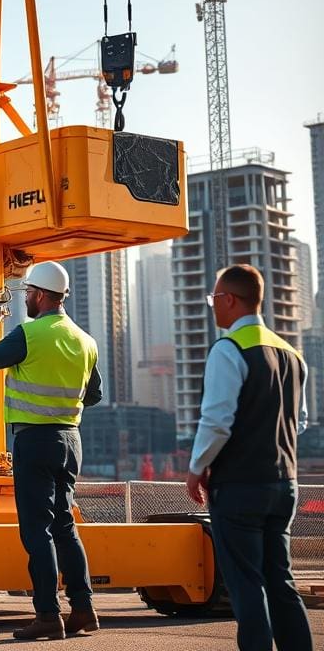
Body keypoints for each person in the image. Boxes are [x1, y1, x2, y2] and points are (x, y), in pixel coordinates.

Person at [0, 261, 102, 641]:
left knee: (37, 531)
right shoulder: (86, 340)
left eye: (27, 292)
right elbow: (94, 395)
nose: (25, 297)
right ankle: (83, 609)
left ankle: (48, 615)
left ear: (41, 295)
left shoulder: (29, 333)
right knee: (65, 525)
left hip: (34, 441)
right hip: (70, 440)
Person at [186, 264, 312, 651]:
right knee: (281, 581)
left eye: (213, 299)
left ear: (229, 300)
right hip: (284, 485)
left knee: (247, 585)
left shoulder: (229, 349)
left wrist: (196, 468)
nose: (212, 306)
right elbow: (301, 420)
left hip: (240, 486)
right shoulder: (291, 353)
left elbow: (217, 421)